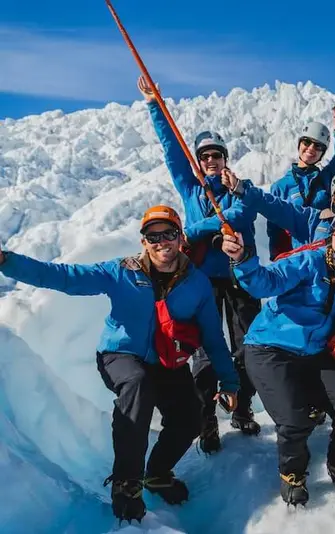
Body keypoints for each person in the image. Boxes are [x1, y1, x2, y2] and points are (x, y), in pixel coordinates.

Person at [0, 206, 239, 523]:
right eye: (153, 235)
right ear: (143, 241)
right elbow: (64, 277)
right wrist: (7, 261)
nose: (161, 242)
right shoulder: (123, 271)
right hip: (120, 355)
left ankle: (156, 473)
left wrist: (230, 381)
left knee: (189, 418)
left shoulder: (197, 284)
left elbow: (212, 337)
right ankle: (126, 483)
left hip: (166, 360)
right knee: (137, 386)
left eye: (168, 233)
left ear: (181, 238)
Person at [222, 205, 335, 506]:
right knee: (294, 418)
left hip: (313, 354)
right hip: (269, 349)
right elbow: (265, 282)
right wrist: (242, 260)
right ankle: (293, 473)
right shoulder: (309, 261)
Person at [139, 77, 260, 453]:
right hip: (202, 282)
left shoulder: (239, 189)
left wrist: (195, 229)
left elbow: (241, 215)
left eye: (216, 156)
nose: (210, 161)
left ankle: (241, 407)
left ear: (225, 161)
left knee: (245, 346)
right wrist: (154, 105)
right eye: (205, 156)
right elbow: (171, 150)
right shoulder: (191, 190)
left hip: (238, 279)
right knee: (207, 350)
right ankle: (207, 422)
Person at [265, 108, 335, 259]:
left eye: (318, 146)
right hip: (296, 257)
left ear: (323, 153)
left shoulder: (327, 177)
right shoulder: (280, 186)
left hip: (327, 253)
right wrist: (278, 258)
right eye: (307, 142)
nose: (311, 149)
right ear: (299, 143)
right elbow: (275, 230)